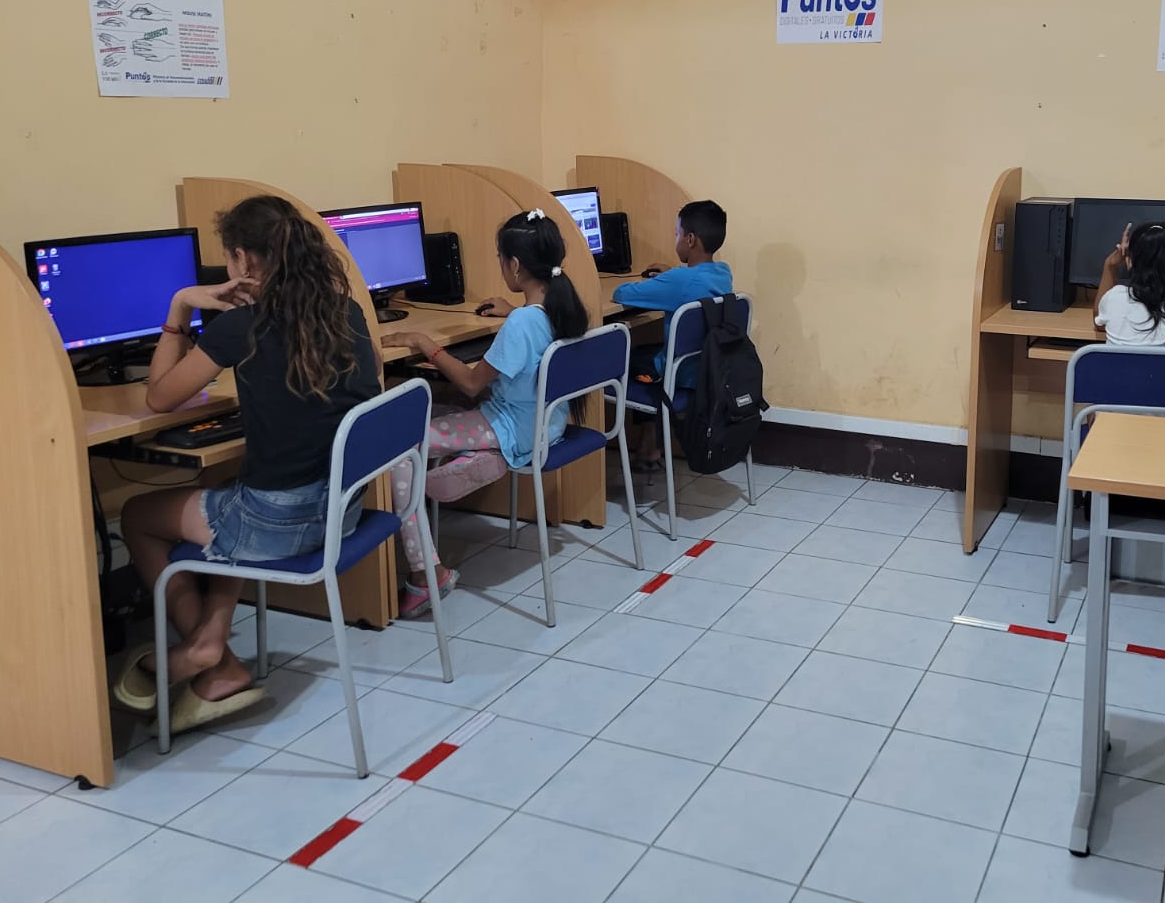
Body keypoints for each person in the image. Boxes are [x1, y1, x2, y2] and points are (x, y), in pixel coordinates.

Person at [114, 196, 381, 731]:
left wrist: (180, 307)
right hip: (341, 510)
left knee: (137, 516)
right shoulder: (344, 311)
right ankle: (213, 641)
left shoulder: (242, 327)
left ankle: (205, 654)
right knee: (230, 483)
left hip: (277, 523)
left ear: (243, 259)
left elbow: (159, 397)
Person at [383, 210, 589, 615]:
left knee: (397, 450)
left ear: (515, 265)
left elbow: (471, 382)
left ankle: (427, 574)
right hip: (547, 424)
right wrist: (513, 310)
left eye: (500, 258)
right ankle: (478, 457)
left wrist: (424, 343)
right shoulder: (561, 306)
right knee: (438, 410)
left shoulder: (522, 323)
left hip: (513, 427)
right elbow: (528, 332)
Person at [609, 200, 733, 470]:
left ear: (690, 240)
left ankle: (646, 447)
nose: (675, 238)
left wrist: (664, 280)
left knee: (620, 358)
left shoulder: (680, 281)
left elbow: (621, 294)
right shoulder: (722, 274)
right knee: (645, 350)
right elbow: (687, 283)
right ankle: (648, 447)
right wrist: (670, 277)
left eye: (676, 233)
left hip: (678, 375)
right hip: (708, 369)